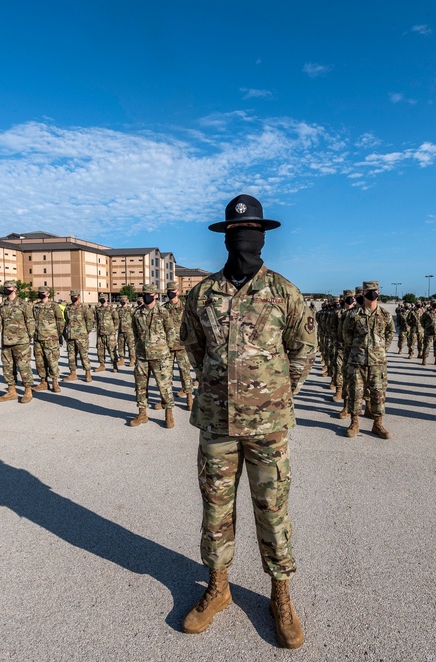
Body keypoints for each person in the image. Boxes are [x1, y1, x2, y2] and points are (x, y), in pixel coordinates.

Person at [180, 194, 315, 649]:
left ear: (263, 238)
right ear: (226, 237)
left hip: (269, 426)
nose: (245, 240)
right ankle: (218, 589)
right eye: (237, 233)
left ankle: (280, 595)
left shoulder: (284, 292)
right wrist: (218, 386)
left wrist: (280, 392)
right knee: (215, 510)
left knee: (273, 510)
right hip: (217, 424)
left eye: (252, 233)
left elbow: (303, 348)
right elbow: (194, 347)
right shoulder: (201, 294)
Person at [341, 281, 394, 438]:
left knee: (378, 393)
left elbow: (391, 332)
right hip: (357, 361)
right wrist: (358, 349)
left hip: (378, 362)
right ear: (363, 294)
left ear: (378, 293)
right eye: (369, 291)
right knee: (355, 393)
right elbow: (346, 334)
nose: (372, 293)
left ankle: (377, 424)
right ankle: (354, 422)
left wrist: (382, 348)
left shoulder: (385, 315)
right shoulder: (353, 315)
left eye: (374, 290)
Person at [128, 284, 176, 427]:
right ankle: (142, 413)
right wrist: (136, 349)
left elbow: (171, 332)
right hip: (142, 355)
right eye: (144, 294)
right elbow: (135, 333)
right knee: (140, 386)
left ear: (155, 295)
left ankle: (169, 414)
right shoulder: (137, 313)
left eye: (149, 294)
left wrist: (166, 349)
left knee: (164, 386)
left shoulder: (163, 312)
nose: (146, 296)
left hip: (161, 355)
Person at [0, 280, 36, 403]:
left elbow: (30, 321)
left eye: (9, 287)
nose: (7, 289)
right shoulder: (2, 305)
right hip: (6, 341)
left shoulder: (24, 304)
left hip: (21, 341)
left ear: (15, 289)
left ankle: (27, 391)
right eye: (5, 287)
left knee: (24, 366)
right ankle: (11, 391)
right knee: (7, 367)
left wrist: (29, 337)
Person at [163, 281, 195, 407]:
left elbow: (192, 326)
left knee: (185, 372)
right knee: (166, 374)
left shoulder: (186, 307)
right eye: (169, 290)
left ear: (178, 292)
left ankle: (189, 397)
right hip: (168, 346)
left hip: (182, 345)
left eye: (173, 291)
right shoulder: (163, 308)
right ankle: (166, 399)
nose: (171, 293)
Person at [33, 286, 65, 391]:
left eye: (43, 292)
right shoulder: (35, 306)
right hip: (38, 338)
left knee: (52, 361)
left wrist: (57, 334)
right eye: (39, 292)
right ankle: (43, 382)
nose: (40, 294)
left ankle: (55, 382)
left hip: (51, 338)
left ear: (47, 293)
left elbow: (60, 321)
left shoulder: (54, 306)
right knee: (39, 362)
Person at [62, 289, 94, 382]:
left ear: (79, 297)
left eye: (74, 296)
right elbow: (67, 320)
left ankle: (88, 373)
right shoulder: (67, 308)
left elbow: (89, 321)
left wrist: (85, 332)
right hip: (71, 335)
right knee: (71, 355)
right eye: (71, 296)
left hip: (81, 336)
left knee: (84, 355)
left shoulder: (84, 308)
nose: (73, 297)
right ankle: (73, 373)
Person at [93, 295, 119, 372]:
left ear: (107, 299)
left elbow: (116, 320)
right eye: (100, 299)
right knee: (100, 349)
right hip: (100, 333)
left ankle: (115, 365)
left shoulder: (111, 309)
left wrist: (114, 330)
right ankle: (102, 365)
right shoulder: (98, 310)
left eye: (103, 298)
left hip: (110, 333)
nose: (102, 300)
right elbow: (97, 320)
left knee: (111, 349)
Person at [115, 296, 135, 367]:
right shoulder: (118, 310)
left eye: (124, 300)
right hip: (120, 330)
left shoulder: (131, 310)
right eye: (121, 300)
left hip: (129, 331)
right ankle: (121, 359)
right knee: (120, 346)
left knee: (130, 346)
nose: (123, 301)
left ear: (127, 301)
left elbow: (135, 319)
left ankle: (132, 359)